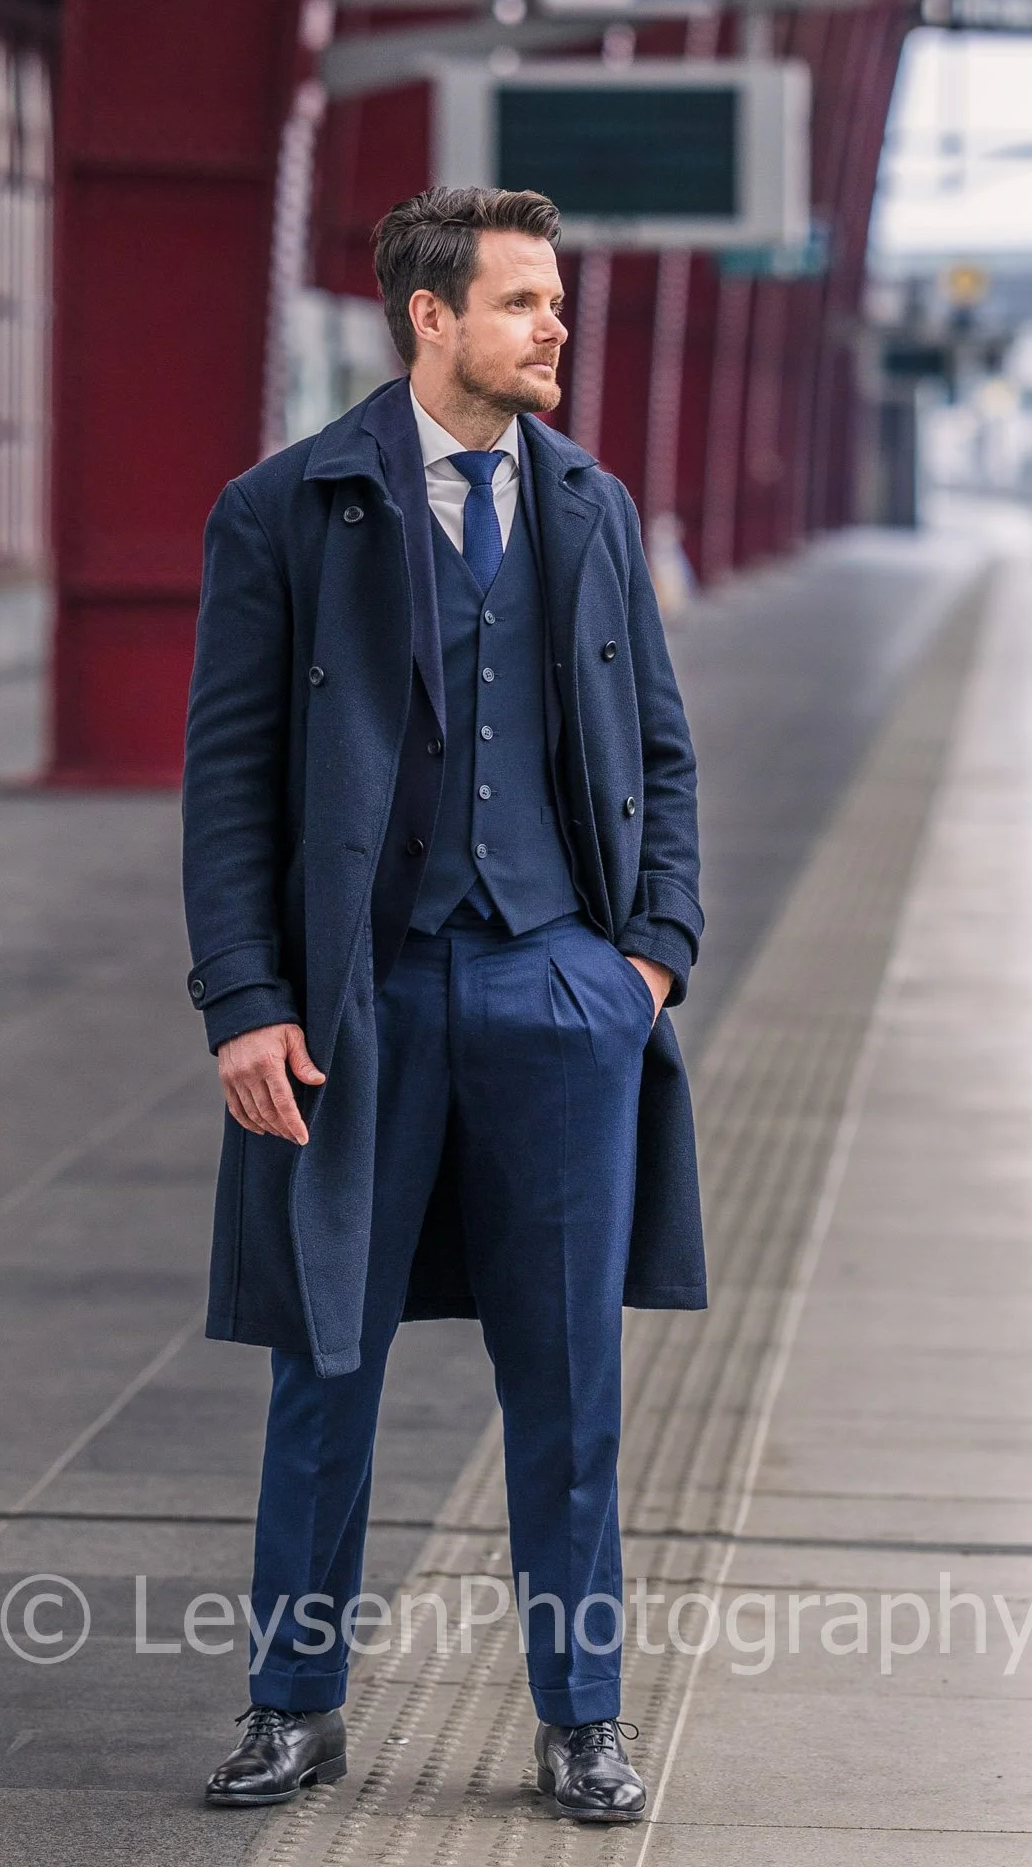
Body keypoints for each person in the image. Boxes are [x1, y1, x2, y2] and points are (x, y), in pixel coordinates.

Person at [181, 185, 705, 1822]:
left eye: (556, 301)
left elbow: (663, 750)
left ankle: (583, 1715)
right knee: (324, 1363)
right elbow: (229, 782)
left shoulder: (592, 509)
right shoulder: (285, 507)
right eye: (524, 302)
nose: (557, 326)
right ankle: (293, 1702)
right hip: (361, 999)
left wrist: (648, 959)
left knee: (570, 1382)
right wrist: (245, 998)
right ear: (431, 316)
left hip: (559, 986)